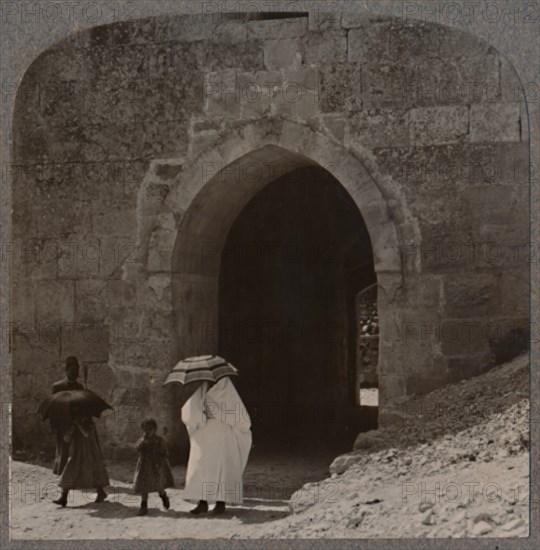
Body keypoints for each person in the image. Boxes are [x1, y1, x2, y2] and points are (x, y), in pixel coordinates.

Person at [181, 376, 252, 515]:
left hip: (222, 434)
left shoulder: (227, 390)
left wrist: (223, 416)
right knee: (201, 466)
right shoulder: (202, 389)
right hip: (205, 434)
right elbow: (189, 410)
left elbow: (240, 416)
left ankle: (221, 503)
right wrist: (200, 417)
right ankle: (202, 502)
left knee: (222, 468)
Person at [52, 415, 109, 506]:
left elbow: (86, 434)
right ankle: (63, 498)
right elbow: (66, 440)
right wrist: (69, 433)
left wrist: (78, 425)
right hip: (77, 453)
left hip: (90, 452)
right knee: (68, 473)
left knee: (94, 473)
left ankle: (101, 492)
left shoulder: (89, 424)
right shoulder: (73, 424)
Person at [133, 418, 174, 516]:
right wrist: (143, 441)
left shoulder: (159, 440)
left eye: (150, 429)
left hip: (156, 466)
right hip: (144, 466)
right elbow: (137, 448)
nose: (148, 431)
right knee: (144, 485)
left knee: (158, 485)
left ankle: (163, 496)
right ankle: (143, 506)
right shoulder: (142, 440)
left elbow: (165, 453)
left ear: (154, 429)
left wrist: (161, 462)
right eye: (145, 429)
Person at [51, 356, 84, 475]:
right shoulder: (58, 386)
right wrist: (54, 426)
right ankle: (61, 473)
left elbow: (81, 405)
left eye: (76, 371)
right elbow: (53, 408)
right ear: (67, 370)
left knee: (77, 450)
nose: (74, 373)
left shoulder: (80, 387)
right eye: (72, 370)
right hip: (62, 423)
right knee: (62, 449)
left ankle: (74, 474)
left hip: (75, 423)